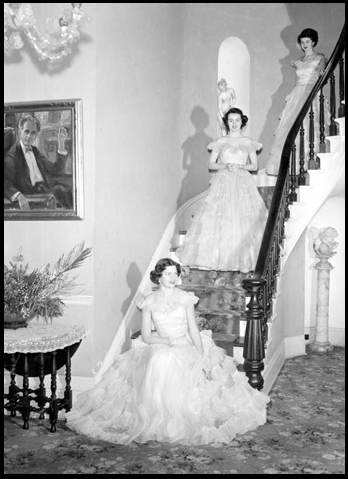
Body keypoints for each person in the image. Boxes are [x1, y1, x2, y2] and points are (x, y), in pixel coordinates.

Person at [66, 257, 269, 445]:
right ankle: (156, 417)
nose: (173, 278)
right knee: (159, 358)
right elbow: (146, 336)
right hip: (161, 342)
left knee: (175, 360)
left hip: (185, 342)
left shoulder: (186, 298)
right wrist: (167, 340)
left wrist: (201, 355)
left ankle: (180, 418)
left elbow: (193, 329)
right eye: (168, 274)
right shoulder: (149, 301)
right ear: (159, 277)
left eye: (175, 273)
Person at [176, 107, 268, 273]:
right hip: (224, 181)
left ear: (242, 122)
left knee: (242, 217)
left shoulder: (248, 142)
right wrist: (226, 165)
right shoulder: (220, 141)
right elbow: (211, 164)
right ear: (227, 122)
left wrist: (240, 166)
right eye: (231, 120)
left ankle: (244, 259)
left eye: (237, 120)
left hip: (242, 181)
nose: (234, 124)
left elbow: (255, 165)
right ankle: (220, 259)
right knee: (220, 217)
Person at [265, 28, 328, 176]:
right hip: (298, 93)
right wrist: (292, 98)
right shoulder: (298, 61)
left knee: (309, 127)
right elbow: (296, 82)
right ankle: (290, 166)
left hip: (311, 92)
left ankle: (309, 162)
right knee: (290, 127)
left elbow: (322, 77)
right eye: (302, 42)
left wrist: (320, 74)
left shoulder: (320, 58)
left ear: (313, 42)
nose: (305, 44)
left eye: (307, 41)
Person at [4, 114, 72, 210]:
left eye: (33, 133)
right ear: (20, 132)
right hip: (34, 195)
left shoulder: (34, 151)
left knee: (69, 190)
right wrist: (18, 196)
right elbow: (6, 183)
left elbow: (55, 170)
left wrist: (61, 144)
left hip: (45, 187)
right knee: (62, 193)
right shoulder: (11, 156)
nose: (29, 136)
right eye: (26, 132)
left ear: (36, 135)